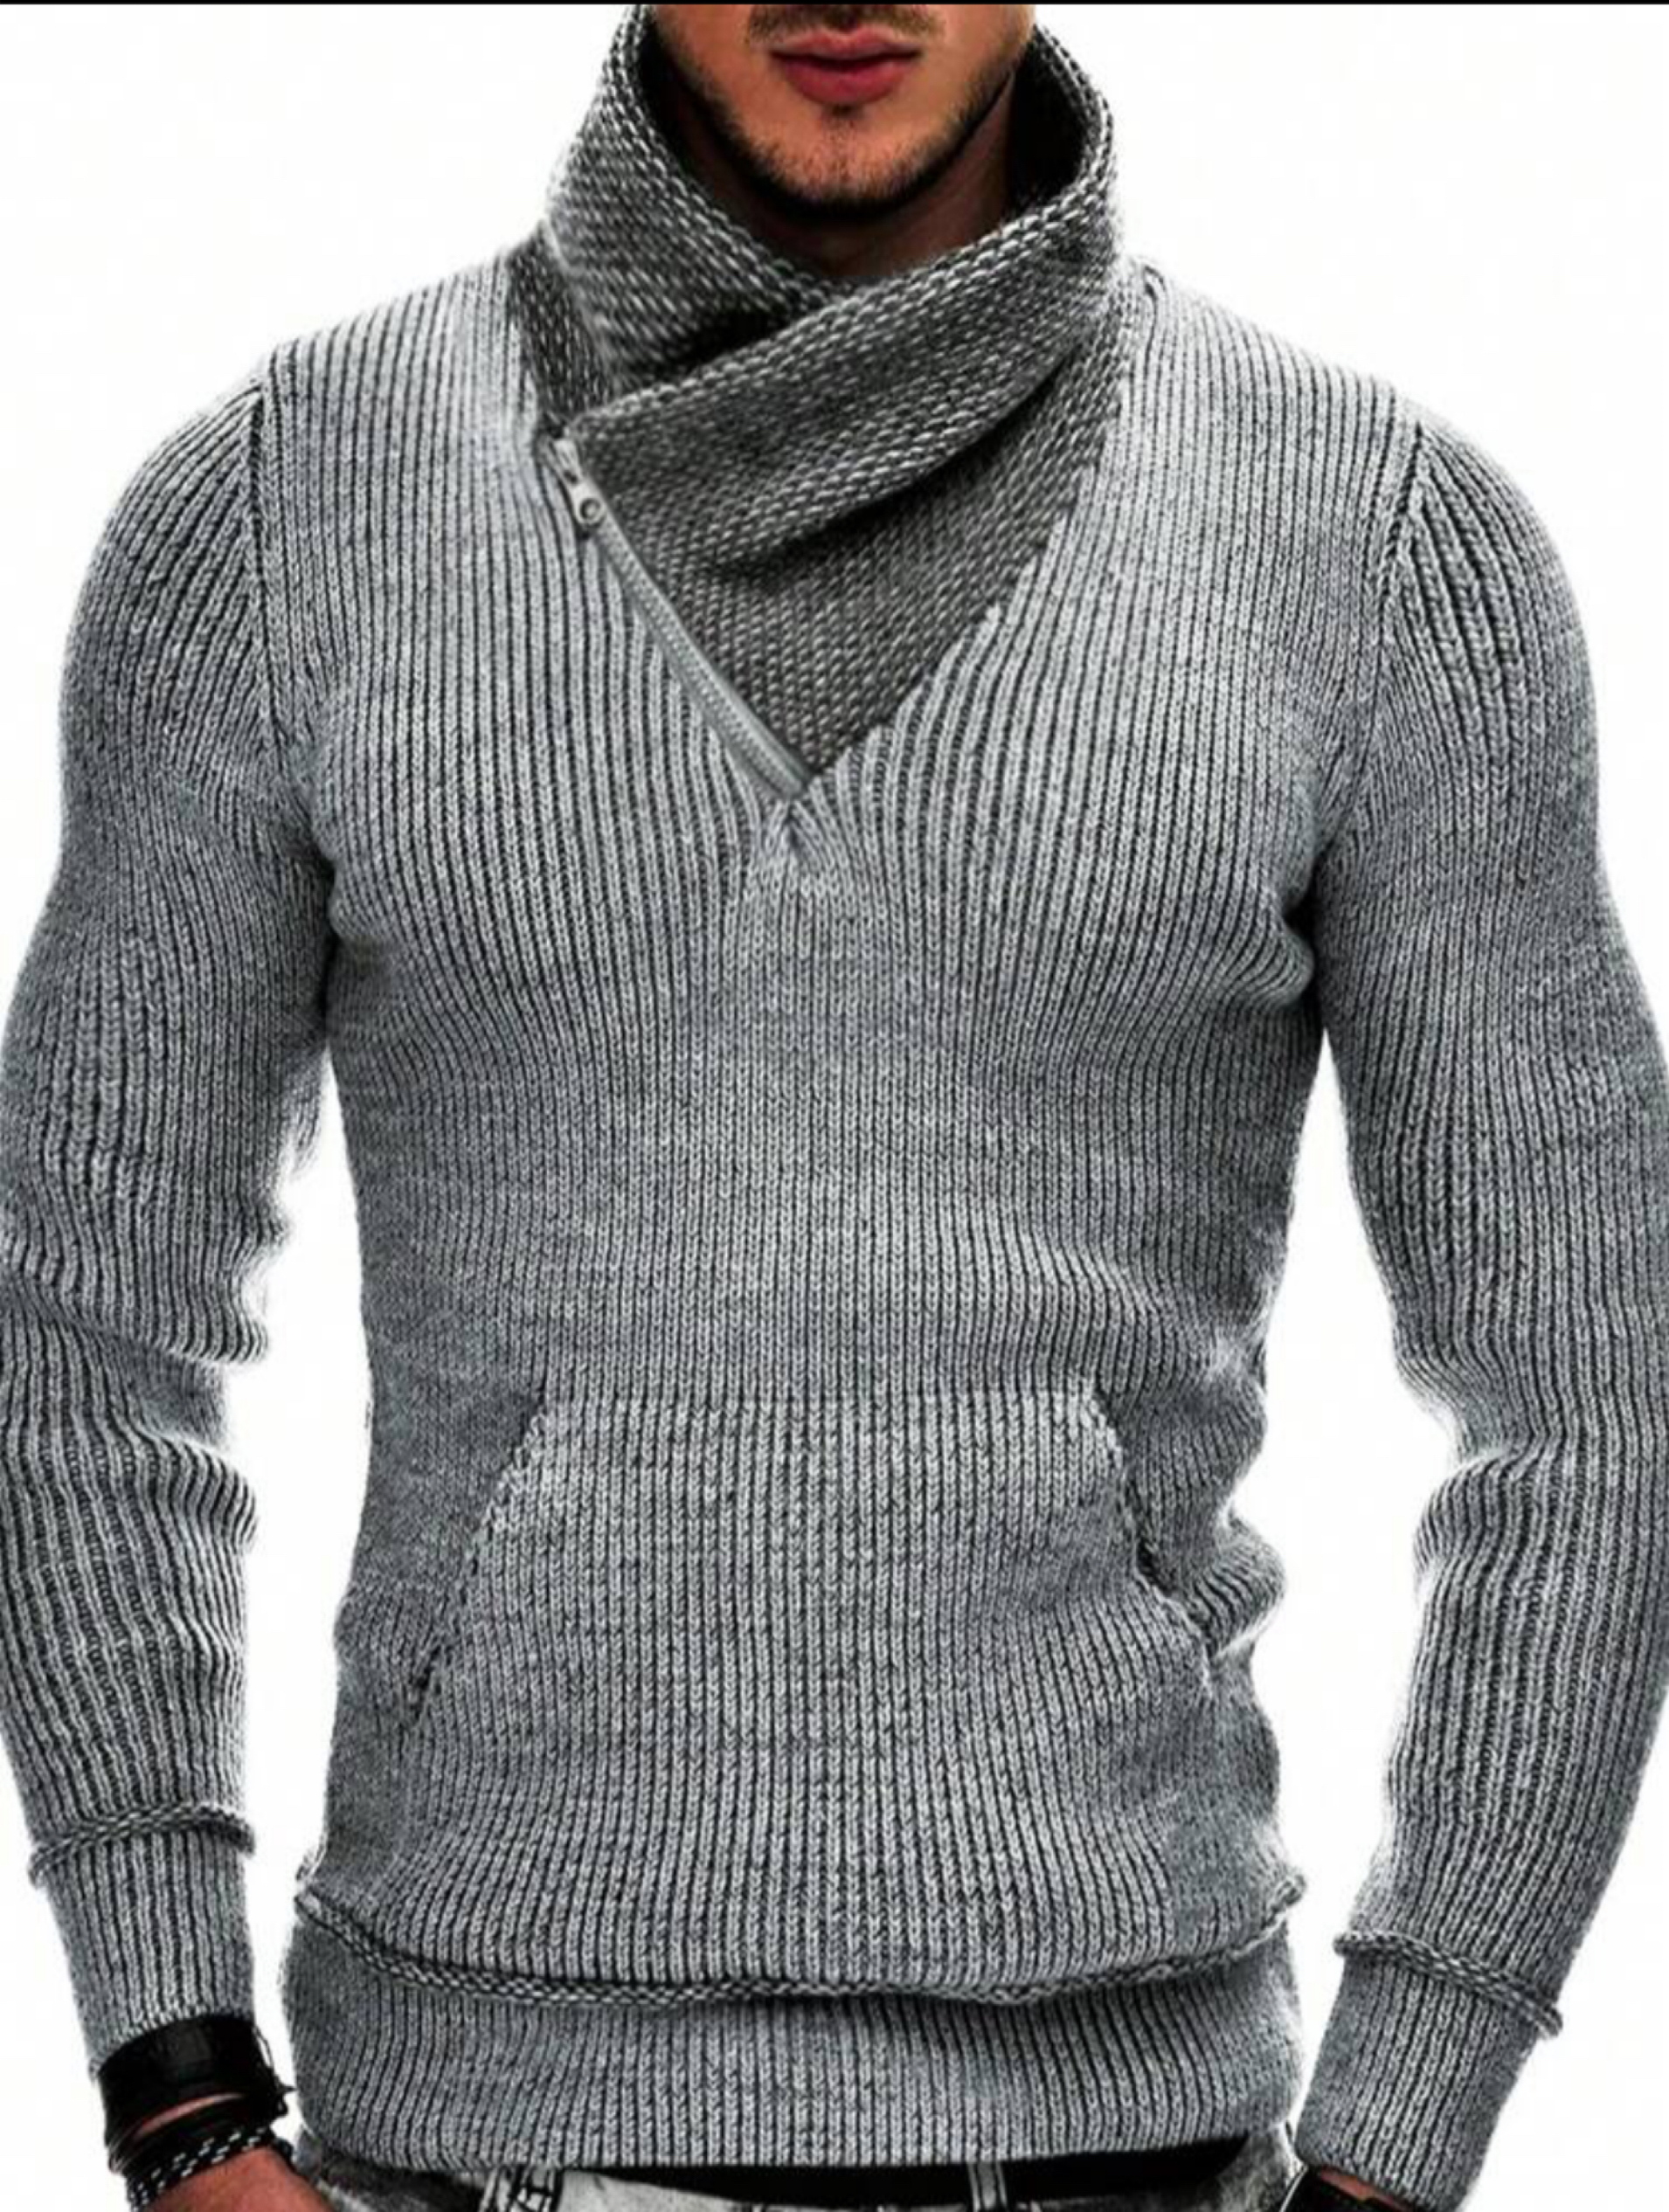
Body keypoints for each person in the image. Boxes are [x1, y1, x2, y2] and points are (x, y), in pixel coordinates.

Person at [3, 3, 1666, 2210]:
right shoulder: (277, 519)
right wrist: (178, 2092)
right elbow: (79, 1326)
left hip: (1140, 2142)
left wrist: (1404, 2125)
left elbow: (1592, 1387)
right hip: (469, 2134)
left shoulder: (1374, 546)